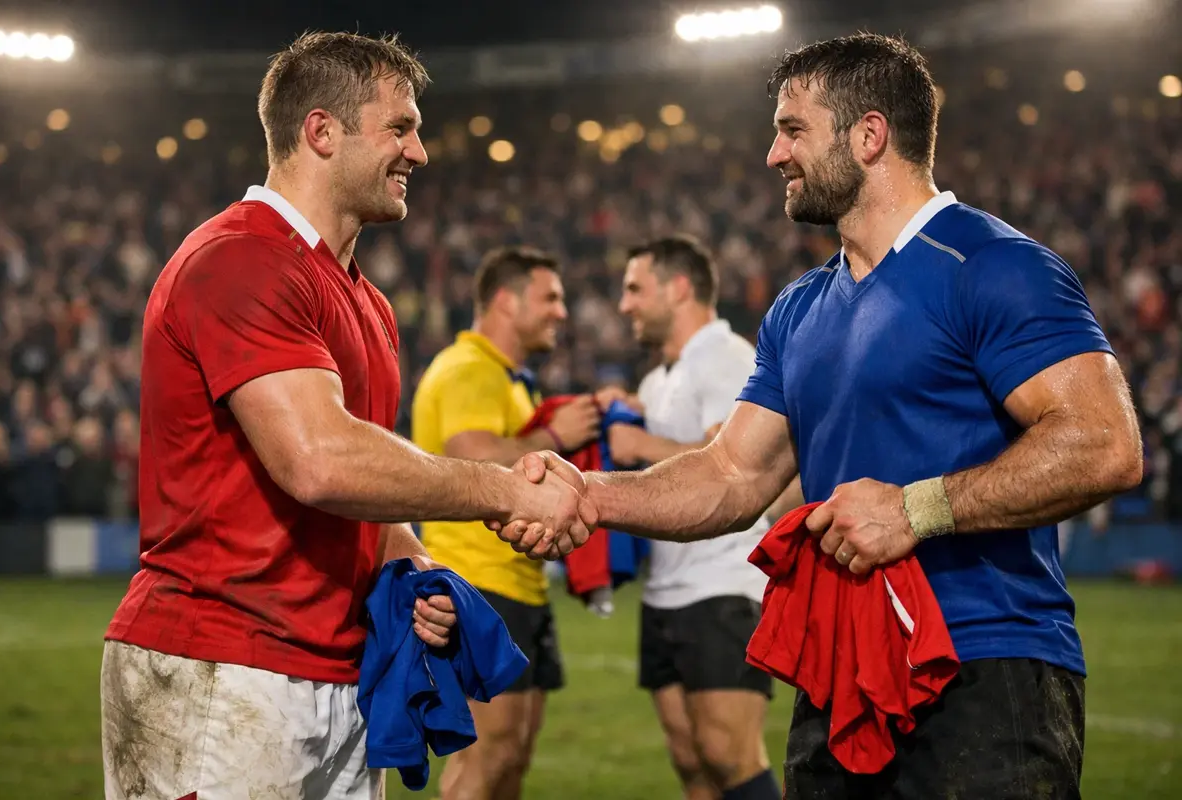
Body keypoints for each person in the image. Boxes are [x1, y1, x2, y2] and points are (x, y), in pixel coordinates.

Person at [497, 33, 1143, 800]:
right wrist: (591, 495)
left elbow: (1104, 442)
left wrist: (916, 508)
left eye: (792, 130)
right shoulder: (799, 309)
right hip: (837, 673)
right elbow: (732, 475)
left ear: (870, 136)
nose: (774, 155)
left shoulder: (995, 265)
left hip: (986, 664)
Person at [100, 32, 591, 800]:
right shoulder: (239, 258)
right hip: (222, 668)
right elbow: (319, 460)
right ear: (321, 131)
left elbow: (366, 486)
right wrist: (506, 491)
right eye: (400, 128)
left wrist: (413, 565)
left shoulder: (368, 300)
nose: (420, 153)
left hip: (337, 674)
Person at [411, 245, 600, 800]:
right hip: (480, 587)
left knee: (510, 758)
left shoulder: (511, 379)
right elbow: (473, 456)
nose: (561, 313)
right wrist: (557, 437)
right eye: (550, 298)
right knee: (484, 763)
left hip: (517, 586)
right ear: (504, 301)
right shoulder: (469, 368)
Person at [605, 235, 787, 800]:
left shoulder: (729, 357)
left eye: (636, 289)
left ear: (678, 288)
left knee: (730, 757)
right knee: (690, 761)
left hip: (723, 585)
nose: (624, 304)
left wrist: (641, 442)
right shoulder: (659, 378)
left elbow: (731, 460)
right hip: (666, 590)